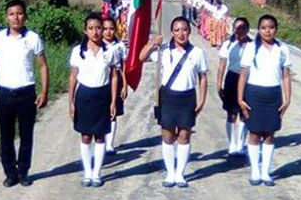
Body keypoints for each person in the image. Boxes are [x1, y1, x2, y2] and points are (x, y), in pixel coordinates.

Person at [0, 0, 50, 187]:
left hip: (26, 93)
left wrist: (44, 92)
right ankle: (10, 173)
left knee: (26, 135)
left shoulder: (33, 38)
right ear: (7, 17)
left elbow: (43, 66)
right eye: (12, 14)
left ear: (25, 16)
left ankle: (23, 172)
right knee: (6, 136)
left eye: (20, 13)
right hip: (4, 93)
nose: (16, 17)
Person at [139, 16, 208, 188]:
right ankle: (170, 173)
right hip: (168, 97)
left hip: (187, 97)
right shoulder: (163, 50)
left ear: (189, 31)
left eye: (184, 29)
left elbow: (203, 77)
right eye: (177, 30)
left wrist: (202, 99)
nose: (181, 33)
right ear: (172, 32)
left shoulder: (197, 53)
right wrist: (152, 43)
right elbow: (141, 57)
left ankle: (180, 174)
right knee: (168, 135)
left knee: (184, 136)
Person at [238, 14, 292, 187]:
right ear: (259, 29)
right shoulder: (250, 48)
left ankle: (266, 172)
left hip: (273, 94)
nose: (267, 31)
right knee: (254, 133)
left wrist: (287, 98)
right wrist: (240, 98)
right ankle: (255, 170)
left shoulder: (282, 49)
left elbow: (285, 75)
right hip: (254, 93)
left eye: (271, 27)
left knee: (269, 134)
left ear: (276, 29)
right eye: (263, 28)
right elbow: (243, 74)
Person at [68, 13, 118, 187]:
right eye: (91, 28)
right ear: (85, 30)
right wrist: (71, 102)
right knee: (86, 135)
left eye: (99, 28)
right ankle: (87, 171)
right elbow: (73, 77)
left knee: (100, 135)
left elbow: (113, 77)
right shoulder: (78, 52)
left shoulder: (110, 51)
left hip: (102, 95)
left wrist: (113, 101)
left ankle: (97, 173)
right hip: (84, 96)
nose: (96, 32)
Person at [216, 17, 252, 156]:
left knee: (245, 113)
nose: (239, 31)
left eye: (242, 27)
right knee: (231, 113)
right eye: (236, 27)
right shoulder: (227, 44)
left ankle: (240, 144)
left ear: (247, 30)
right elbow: (221, 66)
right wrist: (219, 85)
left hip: (248, 80)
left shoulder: (252, 45)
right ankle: (232, 144)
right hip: (232, 78)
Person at [102, 18, 128, 155]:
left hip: (116, 78)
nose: (108, 32)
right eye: (105, 28)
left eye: (111, 28)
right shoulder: (97, 45)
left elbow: (123, 67)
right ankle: (100, 141)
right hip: (101, 78)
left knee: (113, 112)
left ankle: (109, 144)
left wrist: (124, 84)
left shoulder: (119, 46)